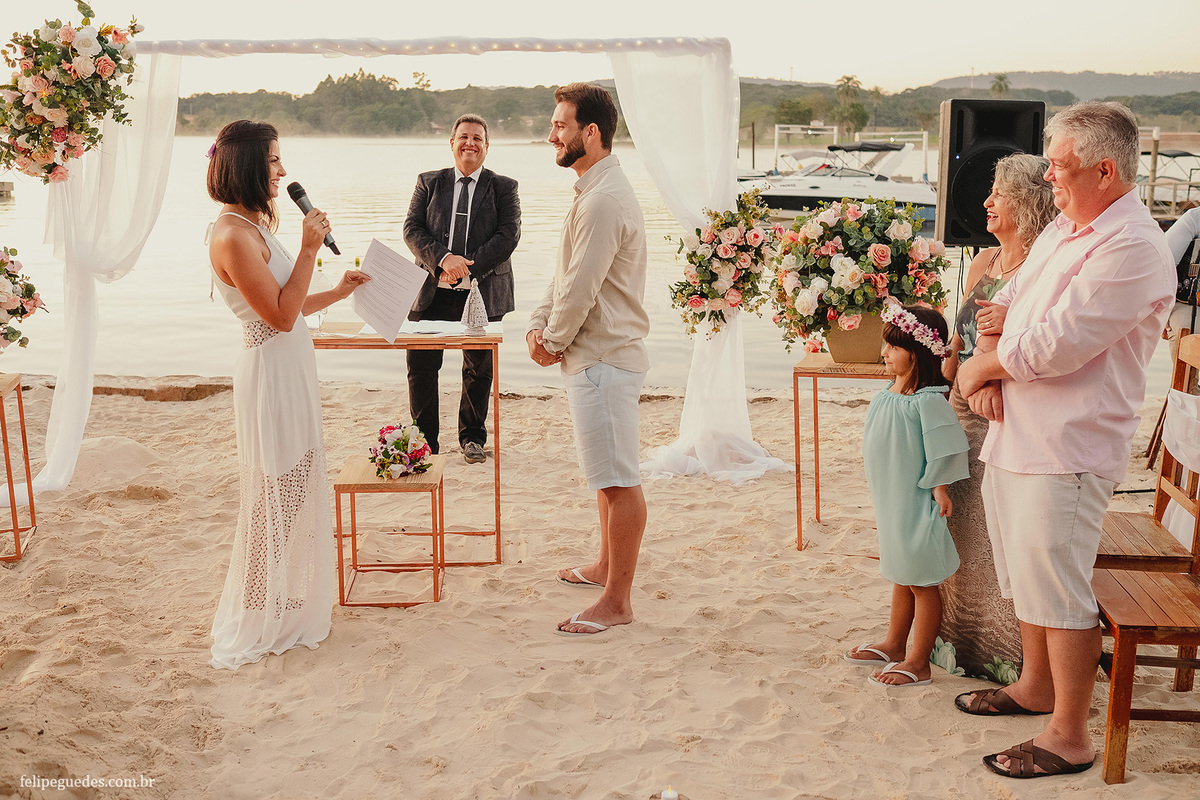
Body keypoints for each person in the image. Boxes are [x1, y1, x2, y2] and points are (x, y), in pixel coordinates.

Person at [955, 101, 1175, 778]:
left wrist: (979, 367)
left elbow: (1058, 344)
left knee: (1061, 588)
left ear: (1105, 170)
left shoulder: (1134, 247)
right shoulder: (1067, 230)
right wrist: (989, 358)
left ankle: (1070, 734)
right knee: (1026, 578)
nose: (1048, 176)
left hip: (1067, 445)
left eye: (1059, 165)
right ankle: (1034, 686)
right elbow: (1007, 299)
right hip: (1016, 429)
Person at [206, 120, 370, 670]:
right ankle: (257, 608)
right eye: (274, 161)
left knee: (294, 488)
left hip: (291, 370)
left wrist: (338, 290)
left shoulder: (253, 226)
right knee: (272, 493)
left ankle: (275, 593)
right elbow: (276, 318)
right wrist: (307, 246)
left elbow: (290, 304)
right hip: (269, 377)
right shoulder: (229, 234)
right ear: (248, 166)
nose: (282, 171)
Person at [527, 83, 650, 636]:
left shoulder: (602, 199)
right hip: (594, 354)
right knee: (605, 476)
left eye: (560, 125)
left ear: (590, 133)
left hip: (604, 355)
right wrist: (538, 323)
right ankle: (604, 567)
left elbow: (581, 288)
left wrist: (550, 341)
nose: (551, 134)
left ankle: (617, 601)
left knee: (619, 480)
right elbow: (564, 275)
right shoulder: (593, 189)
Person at [937, 154, 1057, 680]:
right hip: (957, 408)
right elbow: (962, 336)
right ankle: (956, 643)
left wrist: (984, 378)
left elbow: (1040, 347)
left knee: (995, 541)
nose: (985, 203)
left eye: (998, 195)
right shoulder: (985, 261)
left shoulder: (1044, 269)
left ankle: (1004, 658)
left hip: (1003, 413)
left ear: (1026, 205)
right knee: (958, 528)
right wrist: (945, 356)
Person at [845, 303, 969, 687]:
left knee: (921, 580)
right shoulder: (891, 390)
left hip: (915, 500)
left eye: (892, 347)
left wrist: (940, 487)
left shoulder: (930, 400)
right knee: (902, 571)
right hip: (891, 496)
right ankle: (895, 643)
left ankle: (919, 660)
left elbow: (944, 445)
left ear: (915, 354)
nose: (884, 353)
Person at [404, 114, 521, 463]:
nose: (470, 143)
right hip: (430, 289)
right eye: (464, 137)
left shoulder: (504, 187)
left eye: (478, 139)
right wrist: (444, 259)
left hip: (484, 289)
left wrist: (467, 268)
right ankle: (426, 444)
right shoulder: (429, 182)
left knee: (478, 368)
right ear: (452, 142)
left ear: (487, 147)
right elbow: (412, 229)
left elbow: (509, 235)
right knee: (421, 366)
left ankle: (472, 438)